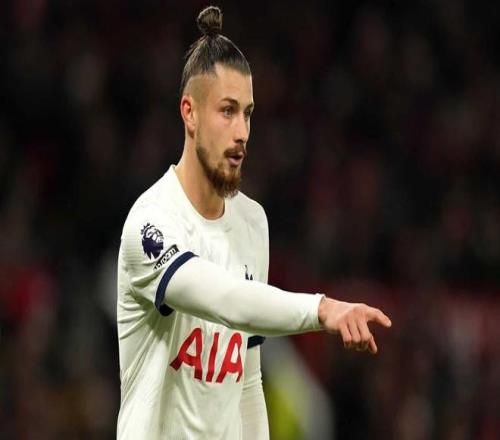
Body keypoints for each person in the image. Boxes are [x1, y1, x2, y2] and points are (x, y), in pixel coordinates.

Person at [116, 5, 392, 439]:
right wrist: (321, 308)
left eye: (247, 113)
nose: (242, 131)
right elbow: (226, 300)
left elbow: (246, 381)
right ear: (189, 113)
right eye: (227, 111)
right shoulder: (151, 224)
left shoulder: (252, 222)